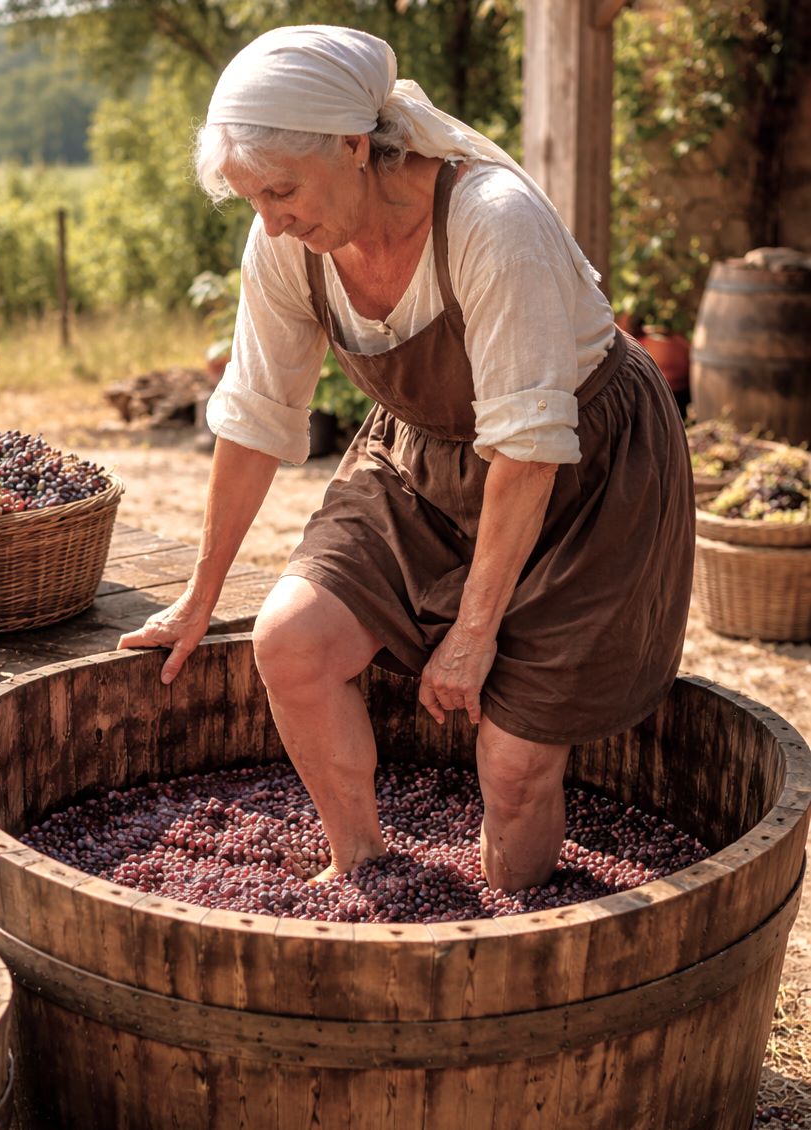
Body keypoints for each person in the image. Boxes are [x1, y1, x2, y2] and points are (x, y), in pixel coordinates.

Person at [119, 24, 695, 892]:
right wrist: (199, 598)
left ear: (354, 145)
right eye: (252, 201)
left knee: (510, 765)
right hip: (421, 456)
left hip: (583, 468)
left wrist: (472, 632)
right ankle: (363, 872)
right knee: (290, 644)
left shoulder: (492, 221)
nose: (271, 221)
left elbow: (528, 452)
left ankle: (513, 934)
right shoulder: (284, 240)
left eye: (281, 191)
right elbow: (254, 418)